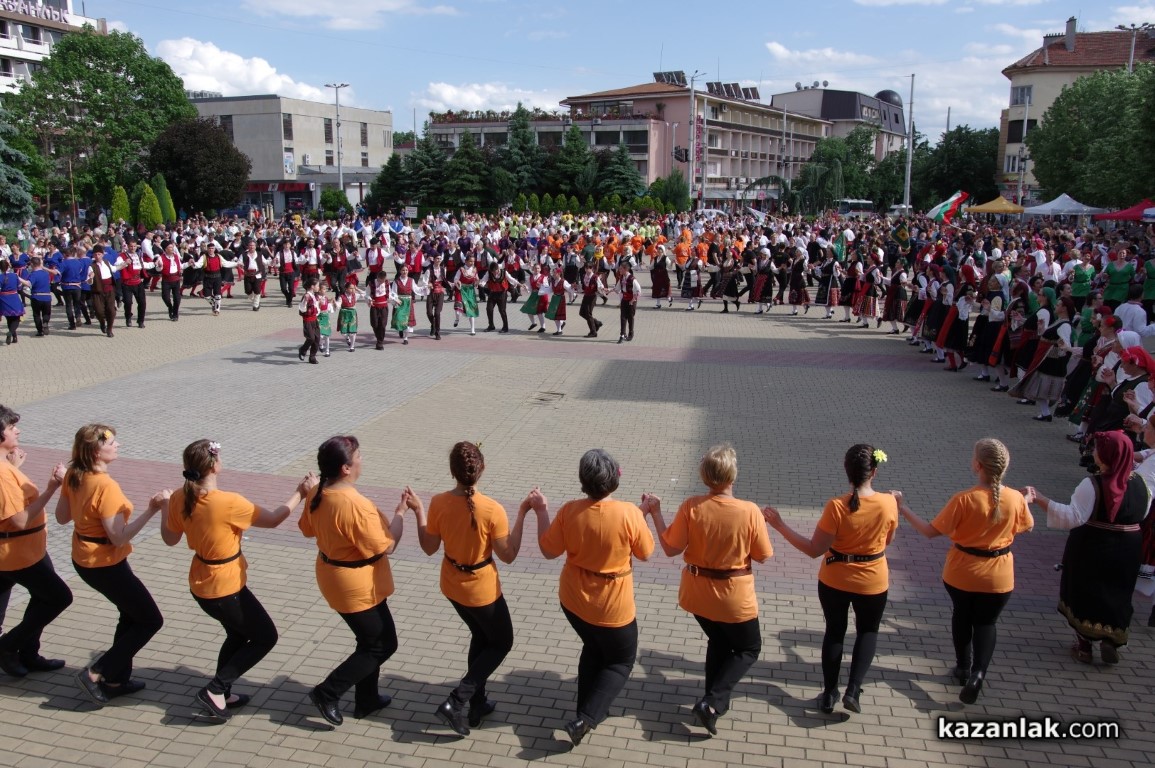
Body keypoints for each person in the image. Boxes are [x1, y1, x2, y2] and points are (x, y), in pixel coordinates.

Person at [162, 439, 317, 723]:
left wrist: (164, 507)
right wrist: (301, 492)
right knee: (265, 636)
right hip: (225, 588)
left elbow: (170, 539)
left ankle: (224, 692)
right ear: (214, 465)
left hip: (201, 583)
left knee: (237, 634)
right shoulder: (228, 502)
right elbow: (273, 519)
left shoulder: (178, 497)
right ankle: (215, 690)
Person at [642, 444, 773, 736]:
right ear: (733, 476)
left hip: (697, 595)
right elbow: (763, 555)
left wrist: (656, 513)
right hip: (734, 598)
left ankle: (711, 704)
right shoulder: (750, 511)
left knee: (719, 641)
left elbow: (670, 548)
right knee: (749, 648)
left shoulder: (691, 506)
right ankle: (712, 702)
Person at [892, 439, 1034, 704]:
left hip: (962, 572)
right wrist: (1023, 501)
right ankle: (979, 673)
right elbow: (1026, 526)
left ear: (977, 465)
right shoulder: (1015, 498)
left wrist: (902, 508)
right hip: (999, 575)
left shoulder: (964, 499)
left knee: (962, 616)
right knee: (987, 623)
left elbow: (930, 531)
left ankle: (962, 667)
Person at [408, 442, 534, 736]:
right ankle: (456, 702)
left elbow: (429, 547)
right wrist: (522, 513)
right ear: (482, 469)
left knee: (481, 637)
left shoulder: (439, 502)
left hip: (452, 585)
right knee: (501, 642)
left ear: (452, 472)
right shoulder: (492, 509)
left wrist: (419, 511)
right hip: (481, 591)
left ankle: (478, 704)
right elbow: (508, 554)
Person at [532, 449, 654, 746]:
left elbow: (548, 550)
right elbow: (646, 552)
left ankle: (582, 710)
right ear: (614, 479)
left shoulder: (569, 511)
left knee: (594, 649)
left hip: (574, 601)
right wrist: (642, 515)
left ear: (583, 481)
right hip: (612, 608)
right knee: (620, 661)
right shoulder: (629, 513)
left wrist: (541, 511)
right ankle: (586, 718)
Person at [763, 444, 897, 715]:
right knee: (867, 632)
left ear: (847, 472)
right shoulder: (889, 503)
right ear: (874, 471)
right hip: (873, 580)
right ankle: (853, 690)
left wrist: (780, 525)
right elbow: (888, 541)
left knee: (835, 632)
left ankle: (829, 693)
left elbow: (814, 549)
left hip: (835, 579)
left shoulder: (836, 506)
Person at [56, 424, 169, 706]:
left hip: (84, 558)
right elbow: (118, 537)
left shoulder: (74, 474)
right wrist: (152, 510)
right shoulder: (106, 486)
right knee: (150, 620)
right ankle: (96, 672)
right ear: (97, 451)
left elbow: (61, 517)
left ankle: (117, 680)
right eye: (112, 443)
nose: (117, 445)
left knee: (130, 614)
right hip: (105, 564)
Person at [299, 436, 404, 726]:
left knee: (368, 640)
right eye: (358, 456)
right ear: (345, 468)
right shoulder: (355, 504)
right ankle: (327, 692)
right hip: (356, 586)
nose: (361, 460)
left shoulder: (318, 491)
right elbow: (386, 546)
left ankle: (367, 699)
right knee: (382, 645)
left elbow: (307, 529)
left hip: (332, 574)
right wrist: (400, 514)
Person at [1026, 430, 1155, 665]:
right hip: (1128, 548)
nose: (1094, 452)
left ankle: (1084, 646)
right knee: (1118, 592)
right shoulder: (1142, 485)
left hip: (1093, 545)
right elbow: (1143, 513)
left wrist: (1040, 499)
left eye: (1097, 449)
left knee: (1085, 590)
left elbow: (1072, 516)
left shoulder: (1093, 484)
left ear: (1106, 455)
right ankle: (1111, 640)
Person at [0, 404, 72, 678]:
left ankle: (29, 653)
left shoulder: (5, 467)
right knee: (59, 597)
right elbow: (19, 519)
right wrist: (52, 488)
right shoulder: (2, 474)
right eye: (11, 427)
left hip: (29, 548)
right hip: (16, 552)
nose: (17, 431)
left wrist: (13, 467)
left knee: (41, 596)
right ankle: (7, 647)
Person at [0, 259, 30, 344]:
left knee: (9, 319)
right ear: (8, 266)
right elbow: (19, 287)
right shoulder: (15, 276)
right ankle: (10, 332)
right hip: (14, 298)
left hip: (3, 299)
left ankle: (14, 337)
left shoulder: (0, 277)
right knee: (16, 318)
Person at [578, 263, 606, 338]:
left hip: (592, 297)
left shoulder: (595, 277)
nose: (587, 270)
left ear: (592, 269)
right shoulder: (584, 276)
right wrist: (577, 287)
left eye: (589, 268)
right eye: (586, 268)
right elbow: (583, 286)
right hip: (586, 296)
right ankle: (596, 323)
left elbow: (600, 285)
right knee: (582, 313)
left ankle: (593, 332)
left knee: (588, 314)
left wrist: (603, 289)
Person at [298, 279, 322, 364]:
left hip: (314, 319)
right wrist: (305, 301)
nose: (318, 287)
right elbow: (302, 309)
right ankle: (303, 349)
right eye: (317, 286)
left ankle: (312, 357)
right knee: (311, 338)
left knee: (317, 339)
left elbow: (317, 308)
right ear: (312, 286)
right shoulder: (306, 296)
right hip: (308, 320)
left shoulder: (315, 296)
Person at [615, 263, 639, 343]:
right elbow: (617, 288)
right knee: (623, 317)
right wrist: (608, 290)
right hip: (624, 299)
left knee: (630, 317)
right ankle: (622, 334)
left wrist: (633, 299)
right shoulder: (621, 277)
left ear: (625, 269)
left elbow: (638, 290)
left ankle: (631, 333)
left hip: (631, 300)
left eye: (621, 269)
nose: (619, 270)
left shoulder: (632, 279)